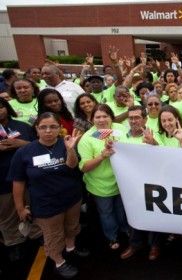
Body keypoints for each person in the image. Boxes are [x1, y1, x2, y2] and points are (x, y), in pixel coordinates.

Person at [9, 112, 86, 278]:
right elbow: (18, 182)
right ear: (36, 129)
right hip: (46, 204)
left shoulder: (65, 144)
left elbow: (72, 165)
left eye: (53, 127)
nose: (48, 131)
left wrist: (70, 149)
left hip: (72, 198)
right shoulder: (24, 152)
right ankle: (59, 261)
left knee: (72, 226)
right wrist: (20, 208)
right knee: (53, 235)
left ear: (59, 129)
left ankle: (71, 248)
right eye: (43, 127)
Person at [77, 104, 129, 250]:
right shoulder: (86, 138)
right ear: (91, 119)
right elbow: (84, 167)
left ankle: (126, 230)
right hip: (101, 186)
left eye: (105, 116)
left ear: (111, 117)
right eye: (97, 117)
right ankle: (112, 237)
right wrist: (102, 156)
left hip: (122, 182)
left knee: (121, 209)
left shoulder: (121, 129)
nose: (101, 120)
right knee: (107, 213)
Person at [0, 98, 41, 262]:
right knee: (7, 213)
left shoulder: (21, 126)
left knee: (33, 207)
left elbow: (37, 145)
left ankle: (37, 234)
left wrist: (20, 143)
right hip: (2, 181)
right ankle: (14, 242)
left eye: (1, 106)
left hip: (28, 177)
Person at [118, 106, 162, 261]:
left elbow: (164, 156)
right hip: (131, 186)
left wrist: (154, 143)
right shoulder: (121, 137)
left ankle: (154, 245)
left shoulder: (154, 134)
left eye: (137, 117)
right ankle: (135, 244)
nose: (133, 121)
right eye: (130, 118)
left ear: (145, 119)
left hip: (152, 185)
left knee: (153, 217)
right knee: (134, 214)